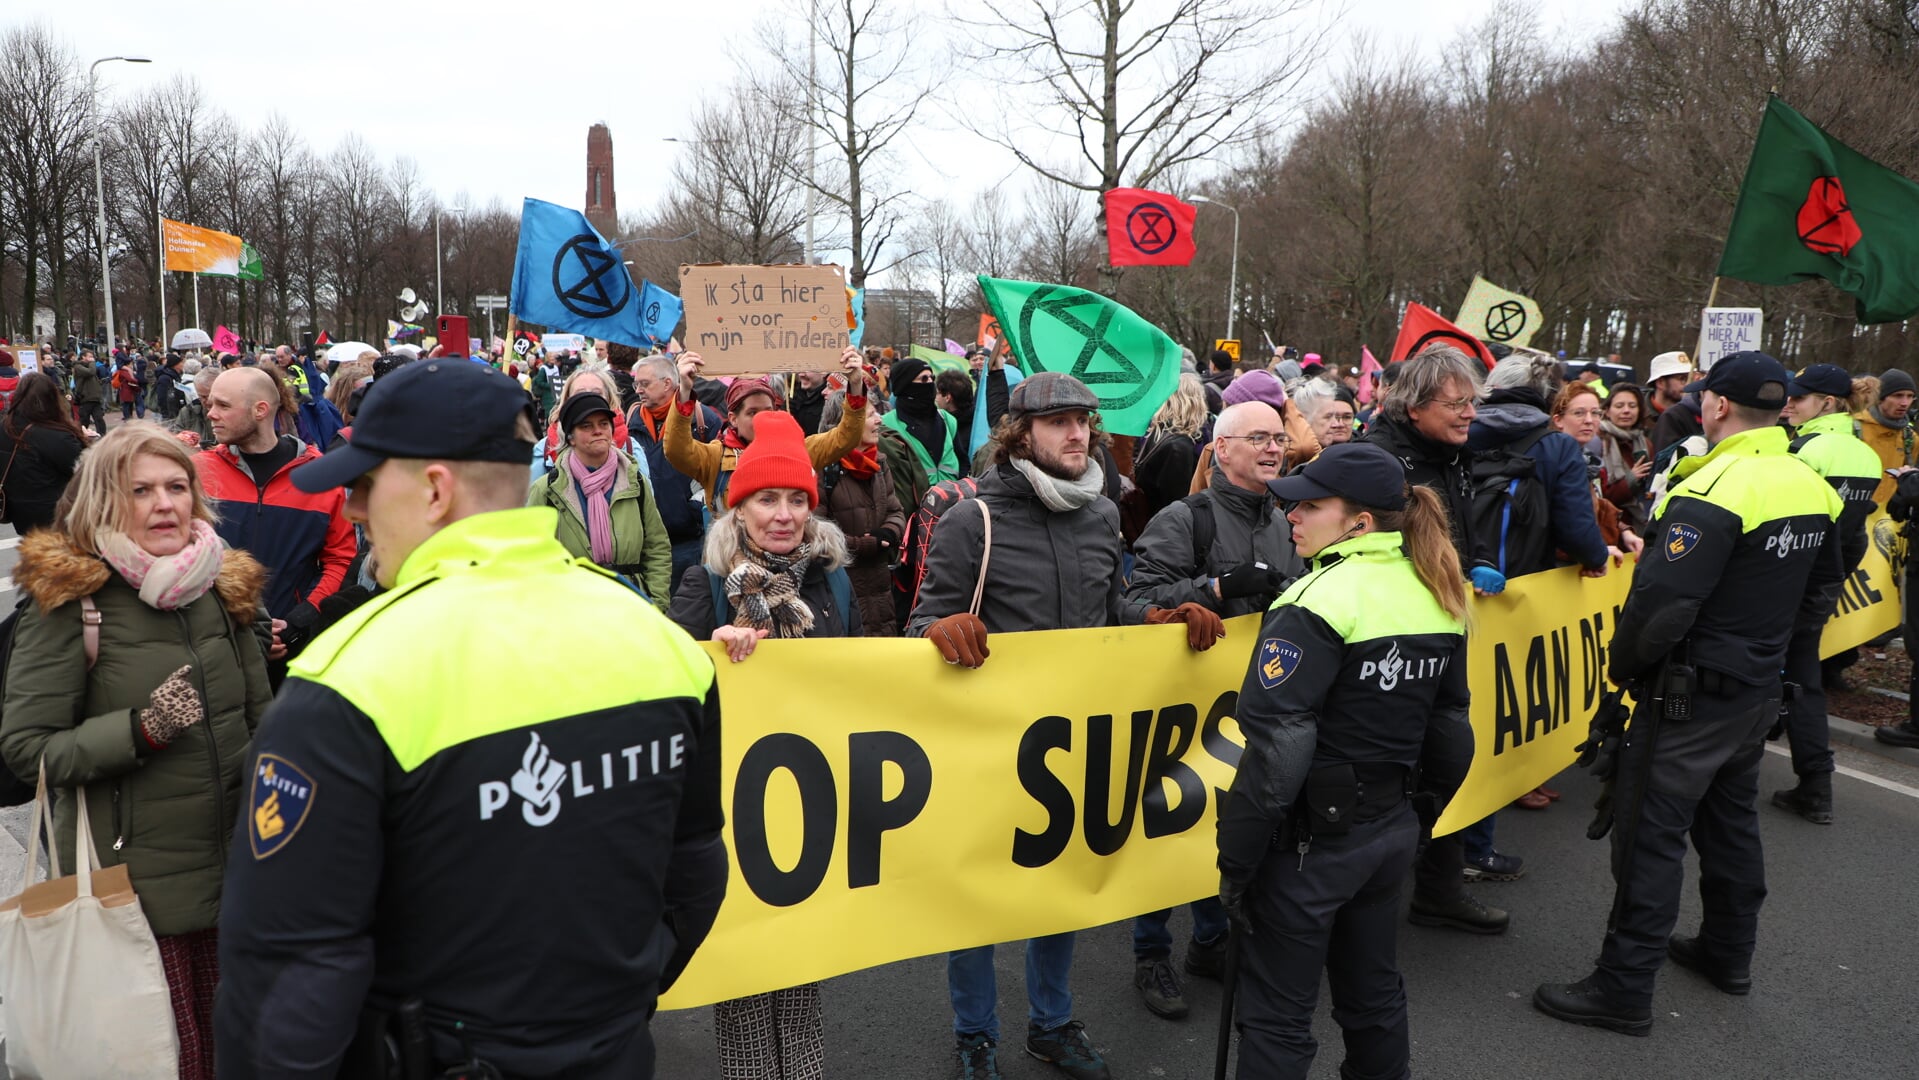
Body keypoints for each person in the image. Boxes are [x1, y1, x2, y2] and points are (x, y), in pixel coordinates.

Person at [215, 360, 725, 1078]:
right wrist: (608, 1005)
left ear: (432, 491)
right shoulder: (662, 643)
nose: (354, 511)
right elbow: (696, 873)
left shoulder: (349, 677)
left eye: (363, 485)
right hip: (615, 1048)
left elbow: (289, 978)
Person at [908, 372, 1222, 1080]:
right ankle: (975, 1038)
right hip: (987, 750)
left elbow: (1109, 604)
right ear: (1020, 435)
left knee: (1057, 894)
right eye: (1058, 423)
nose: (1077, 434)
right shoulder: (972, 520)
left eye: (1083, 421)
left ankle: (1050, 1024)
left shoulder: (1101, 513)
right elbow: (921, 622)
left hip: (1072, 745)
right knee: (978, 908)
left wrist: (1158, 621)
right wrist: (940, 629)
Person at [1534, 351, 1843, 1036]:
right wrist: (1777, 667)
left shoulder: (1713, 487)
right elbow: (1820, 590)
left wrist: (1619, 671)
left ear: (1718, 408)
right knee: (1729, 824)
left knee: (1649, 835)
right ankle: (1728, 953)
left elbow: (1662, 606)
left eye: (1704, 397)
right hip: (1755, 689)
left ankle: (1622, 986)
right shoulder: (1808, 482)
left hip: (1688, 693)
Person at [3, 422, 273, 1080]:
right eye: (141, 490)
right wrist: (141, 729)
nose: (165, 504)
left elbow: (262, 721)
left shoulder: (223, 590)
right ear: (103, 500)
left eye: (178, 487)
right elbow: (28, 751)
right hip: (134, 900)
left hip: (240, 882)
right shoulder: (72, 602)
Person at [1216, 442, 1473, 1080]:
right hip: (1388, 829)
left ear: (1358, 521)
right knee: (1373, 993)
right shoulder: (1434, 586)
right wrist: (1423, 816)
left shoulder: (1315, 600)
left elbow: (1278, 750)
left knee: (1277, 1016)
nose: (1291, 516)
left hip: (1311, 845)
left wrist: (1238, 862)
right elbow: (1451, 728)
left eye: (1310, 505)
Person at [667, 410, 857, 1080]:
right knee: (745, 973)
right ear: (738, 509)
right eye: (766, 499)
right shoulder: (706, 585)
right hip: (735, 805)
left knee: (803, 968)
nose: (783, 514)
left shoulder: (832, 581)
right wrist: (705, 652)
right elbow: (666, 685)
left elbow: (861, 676)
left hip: (814, 800)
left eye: (797, 499)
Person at [1122, 399, 1301, 1019]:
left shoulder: (1285, 522)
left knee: (1227, 828)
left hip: (1253, 706)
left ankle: (1209, 939)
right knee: (1168, 825)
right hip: (1180, 711)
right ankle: (1151, 954)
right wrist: (1215, 591)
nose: (1274, 448)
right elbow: (1134, 601)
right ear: (1222, 450)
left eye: (1279, 438)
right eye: (1258, 438)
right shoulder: (1184, 518)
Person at [1360, 346, 1508, 934]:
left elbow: (1459, 529)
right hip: (1398, 636)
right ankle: (1368, 893)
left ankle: (1439, 886)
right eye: (1457, 403)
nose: (1470, 413)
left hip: (1446, 622)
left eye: (1473, 401)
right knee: (1393, 761)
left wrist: (1478, 561)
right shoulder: (1377, 461)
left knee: (1449, 752)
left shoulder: (1453, 453)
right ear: (1414, 406)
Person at [1769, 364, 1881, 824]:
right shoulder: (1866, 455)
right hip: (1822, 586)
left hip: (1784, 584)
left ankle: (1723, 773)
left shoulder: (1804, 451)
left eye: (1799, 398)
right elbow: (1854, 539)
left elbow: (1784, 527)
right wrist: (1832, 581)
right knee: (1803, 681)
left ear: (1827, 403)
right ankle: (1816, 786)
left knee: (1753, 673)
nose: (1788, 405)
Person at [199, 367, 357, 670]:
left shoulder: (319, 475)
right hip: (218, 644)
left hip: (292, 646)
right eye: (210, 405)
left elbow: (341, 558)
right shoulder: (198, 472)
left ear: (260, 410)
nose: (211, 414)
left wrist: (304, 616)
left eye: (223, 405)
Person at [666, 348, 868, 511]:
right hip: (733, 559)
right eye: (752, 412)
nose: (762, 418)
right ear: (733, 419)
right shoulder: (714, 457)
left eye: (768, 410)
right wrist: (684, 391)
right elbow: (677, 449)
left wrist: (856, 384)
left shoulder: (799, 451)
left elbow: (846, 438)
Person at [527, 390, 673, 606]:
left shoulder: (636, 482)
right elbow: (532, 557)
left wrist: (657, 604)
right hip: (572, 609)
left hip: (630, 605)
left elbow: (657, 547)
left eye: (604, 424)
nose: (598, 431)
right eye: (586, 426)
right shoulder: (547, 489)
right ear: (570, 437)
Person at [629, 352, 726, 586]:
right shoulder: (632, 419)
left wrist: (695, 506)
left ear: (667, 383)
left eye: (645, 383)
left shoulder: (703, 420)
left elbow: (719, 470)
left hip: (688, 539)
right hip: (646, 540)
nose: (638, 390)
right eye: (636, 384)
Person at [814, 395, 907, 635]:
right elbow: (815, 532)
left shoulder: (879, 463)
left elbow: (896, 510)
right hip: (842, 586)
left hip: (881, 586)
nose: (879, 421)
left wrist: (888, 532)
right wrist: (866, 544)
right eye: (870, 415)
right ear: (846, 423)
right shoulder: (823, 469)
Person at [0, 372, 89, 533]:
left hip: (20, 513)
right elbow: (85, 470)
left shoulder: (5, 427)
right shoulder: (55, 436)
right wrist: (87, 441)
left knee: (39, 553)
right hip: (56, 515)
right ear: (51, 399)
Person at [1131, 373, 1213, 527]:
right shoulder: (1179, 448)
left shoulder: (1158, 431)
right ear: (1195, 402)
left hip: (1152, 520)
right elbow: (1177, 502)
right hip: (1166, 527)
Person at [885, 356, 962, 484]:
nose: (930, 383)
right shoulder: (886, 424)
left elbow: (962, 459)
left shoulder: (947, 419)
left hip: (952, 499)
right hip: (912, 502)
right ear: (905, 384)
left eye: (932, 378)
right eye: (924, 378)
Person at [1596, 382, 1655, 532]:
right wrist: (1631, 479)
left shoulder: (1645, 443)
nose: (1626, 411)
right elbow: (1601, 496)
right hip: (1610, 526)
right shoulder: (1599, 441)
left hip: (1640, 522)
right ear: (1607, 411)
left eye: (1632, 406)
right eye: (1619, 406)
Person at [1856, 368, 1915, 506]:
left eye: (1910, 396)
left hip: (1890, 520)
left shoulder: (1909, 437)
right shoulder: (1853, 429)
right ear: (1880, 398)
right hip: (1854, 517)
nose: (1905, 403)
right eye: (1898, 395)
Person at [1293, 380, 1356, 449]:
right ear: (1305, 419)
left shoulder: (1362, 451)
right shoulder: (1290, 453)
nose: (1338, 424)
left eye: (1347, 417)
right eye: (1328, 417)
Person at [72, 347, 107, 435]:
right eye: (90, 356)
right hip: (85, 398)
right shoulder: (78, 367)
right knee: (84, 421)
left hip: (95, 398)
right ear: (83, 357)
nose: (92, 358)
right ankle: (80, 436)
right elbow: (90, 372)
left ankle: (102, 436)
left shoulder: (91, 366)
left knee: (99, 419)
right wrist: (92, 363)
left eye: (92, 357)